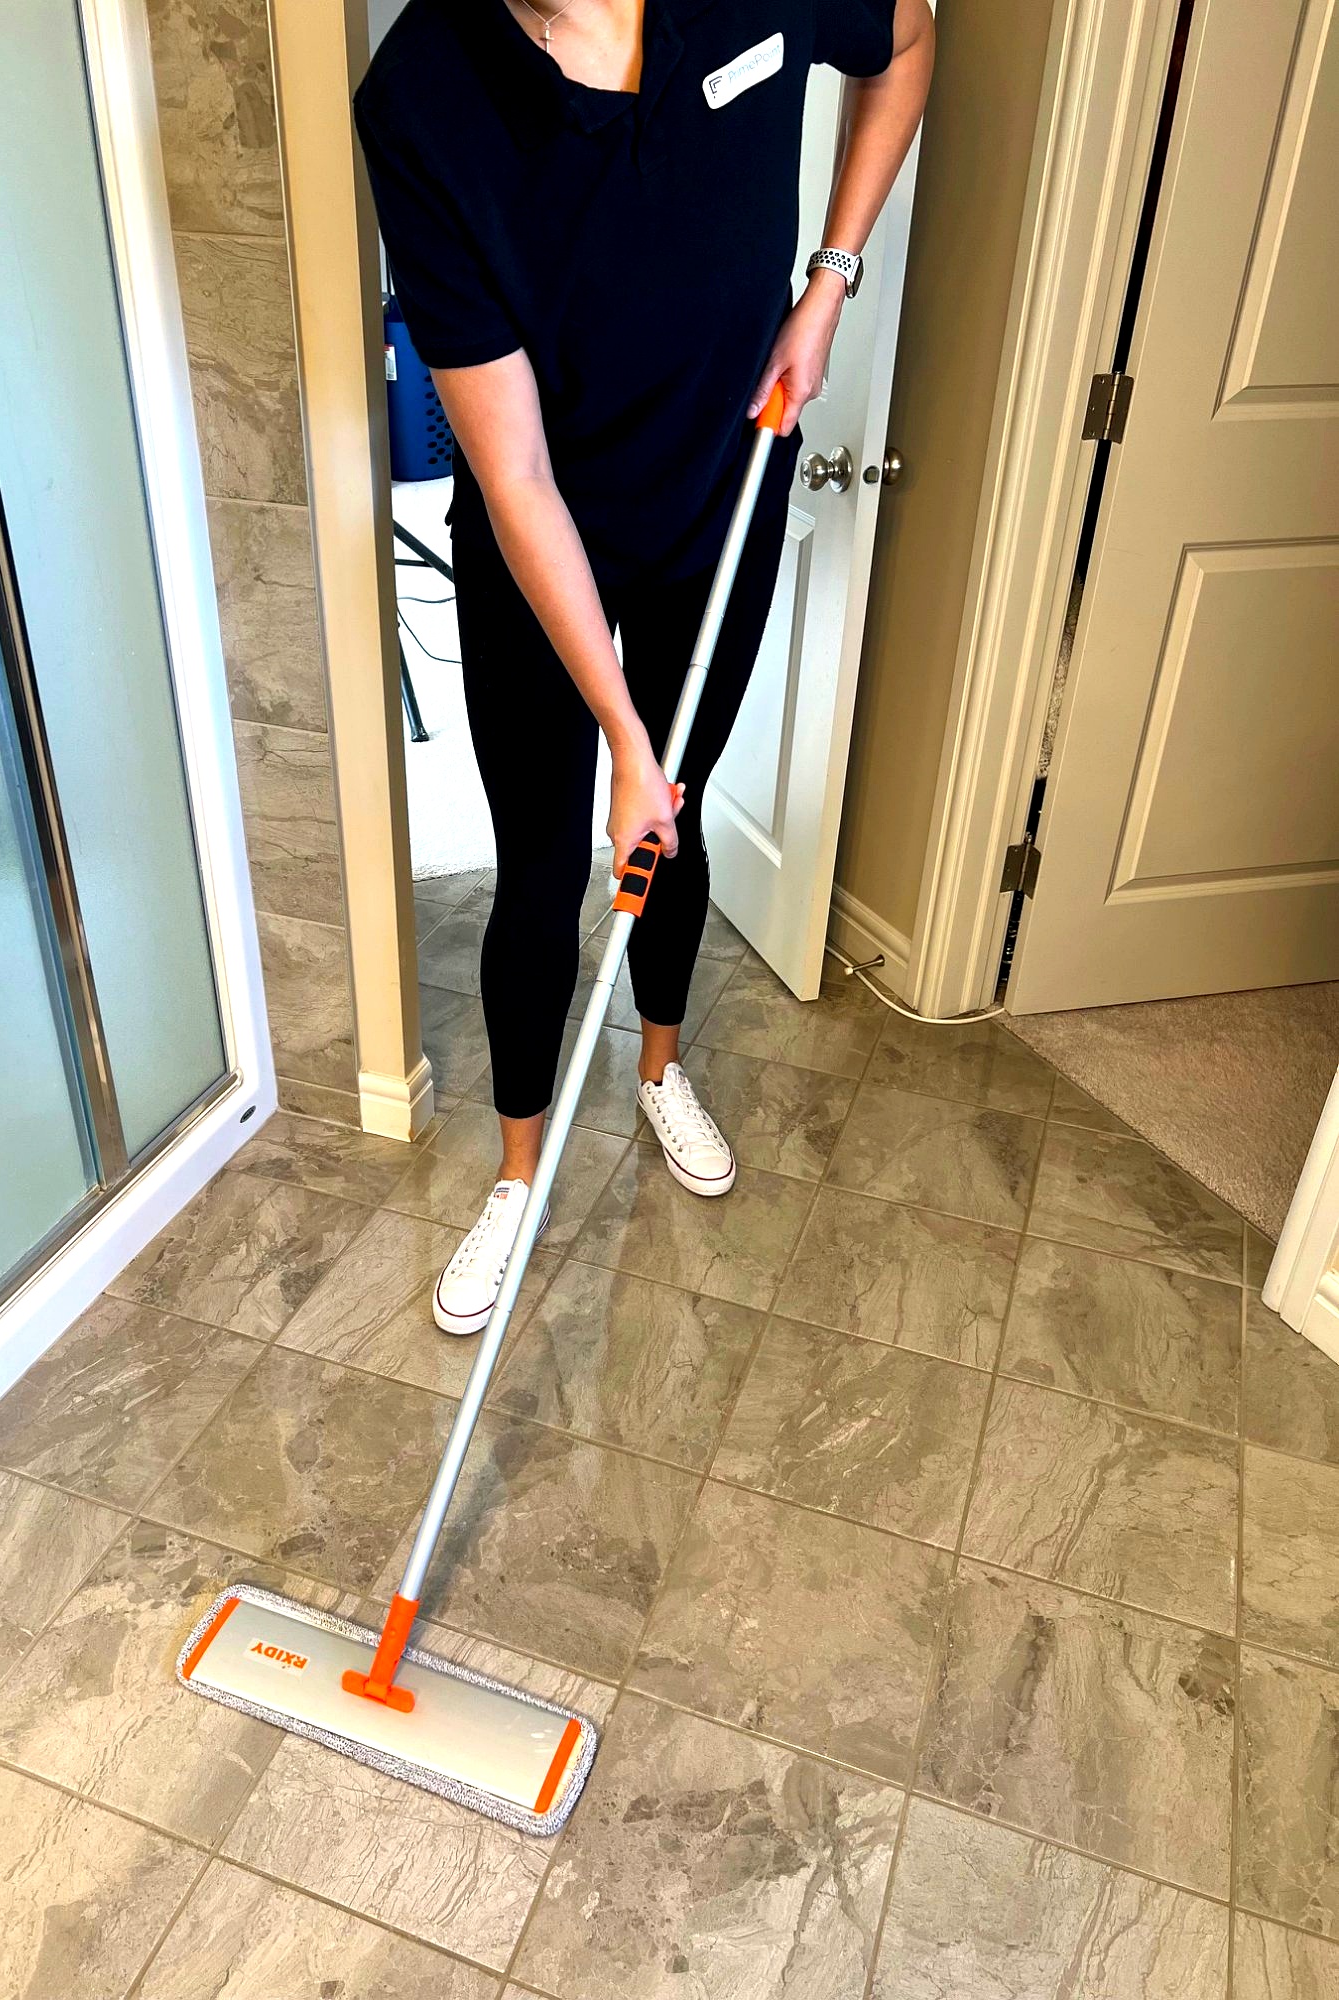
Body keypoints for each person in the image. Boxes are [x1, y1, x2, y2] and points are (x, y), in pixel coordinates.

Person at [356, 0, 933, 1334]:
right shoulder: (425, 94)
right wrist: (622, 732)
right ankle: (517, 1173)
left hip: (716, 498)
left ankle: (662, 1072)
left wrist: (829, 285)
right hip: (534, 539)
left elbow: (906, 40)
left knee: (666, 841)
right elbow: (511, 473)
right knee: (549, 869)